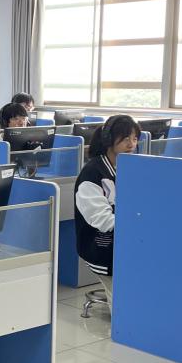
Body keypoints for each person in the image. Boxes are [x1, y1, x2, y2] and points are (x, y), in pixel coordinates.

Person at [74, 115, 140, 309]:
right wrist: (137, 225)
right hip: (102, 248)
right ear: (108, 139)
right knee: (122, 305)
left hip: (125, 244)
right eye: (126, 138)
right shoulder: (92, 173)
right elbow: (103, 220)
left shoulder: (125, 167)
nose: (131, 144)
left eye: (135, 138)